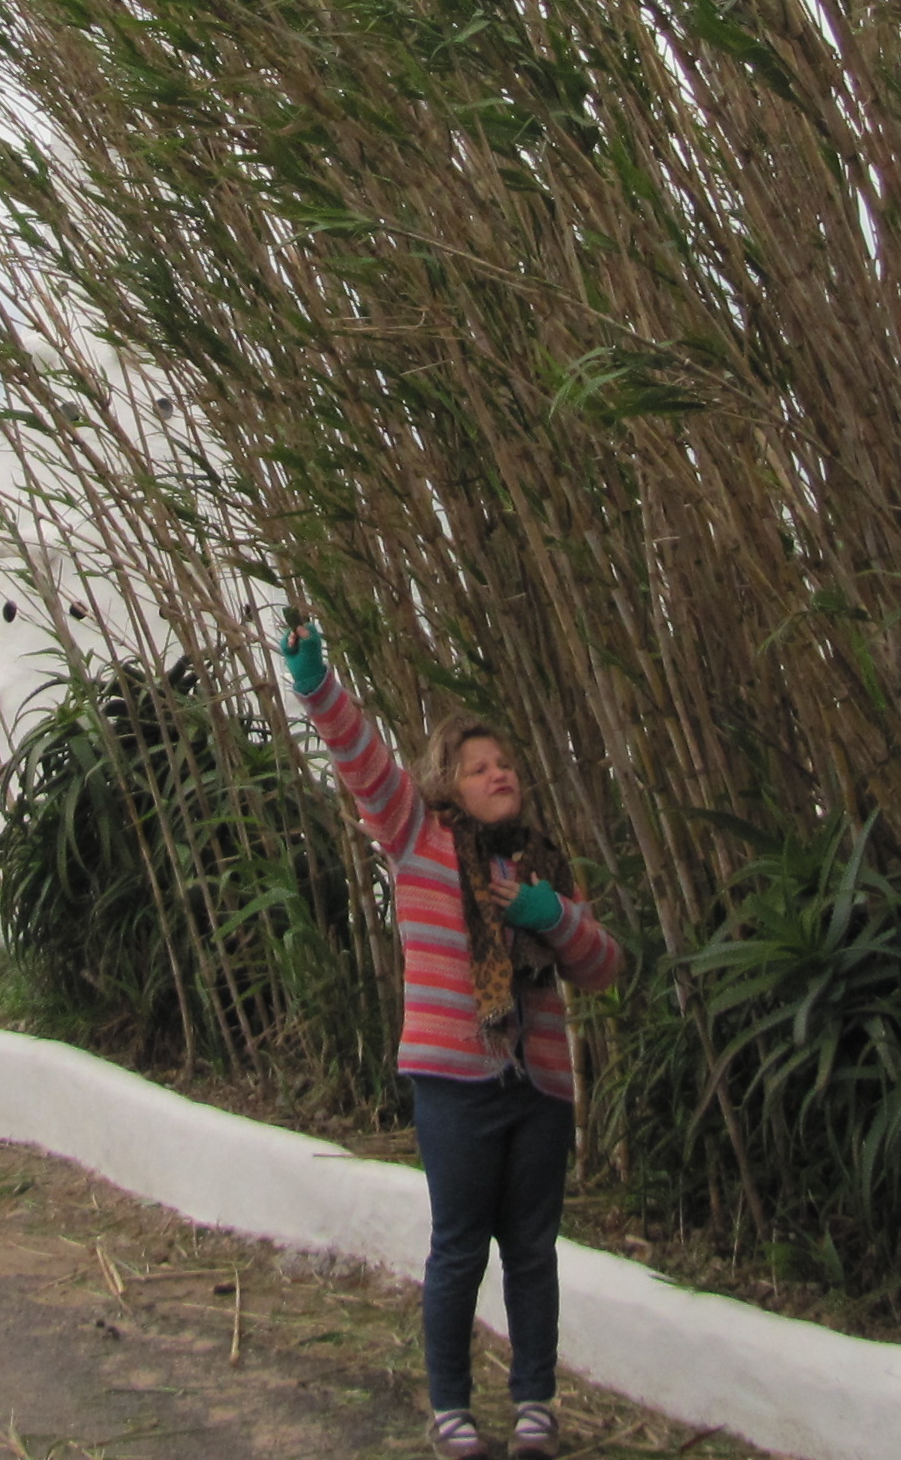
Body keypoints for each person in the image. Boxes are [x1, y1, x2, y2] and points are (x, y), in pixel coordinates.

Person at [282, 615, 620, 1460]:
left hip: (538, 1088)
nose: (497, 773)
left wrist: (558, 917)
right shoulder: (419, 841)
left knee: (533, 1250)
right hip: (455, 1085)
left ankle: (535, 1404)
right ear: (448, 783)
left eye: (505, 764)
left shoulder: (542, 865)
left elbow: (605, 964)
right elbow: (365, 762)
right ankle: (453, 1412)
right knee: (460, 1247)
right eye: (478, 767)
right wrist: (318, 686)